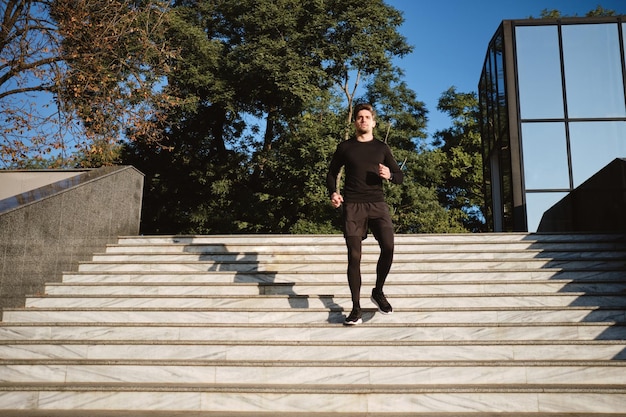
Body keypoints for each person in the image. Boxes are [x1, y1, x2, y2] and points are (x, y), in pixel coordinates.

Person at [326, 103, 404, 325]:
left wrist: (389, 174)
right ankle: (356, 308)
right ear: (355, 122)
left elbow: (399, 176)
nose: (363, 120)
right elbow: (332, 173)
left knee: (388, 246)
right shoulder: (345, 147)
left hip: (377, 204)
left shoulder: (382, 148)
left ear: (373, 122)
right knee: (354, 257)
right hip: (353, 206)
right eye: (359, 117)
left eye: (367, 117)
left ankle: (378, 291)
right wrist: (333, 192)